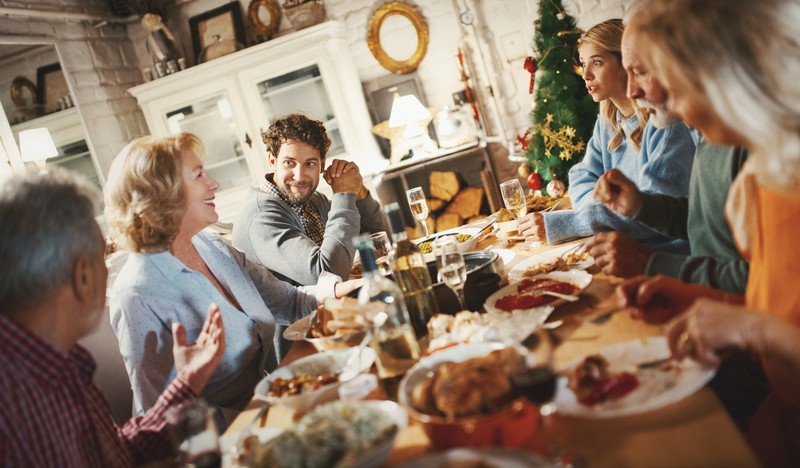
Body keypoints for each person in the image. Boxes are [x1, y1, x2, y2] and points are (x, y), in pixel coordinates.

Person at [615, 0, 800, 464]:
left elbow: (769, 326)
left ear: (722, 75)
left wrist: (747, 325)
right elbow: (780, 312)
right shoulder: (766, 171)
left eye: (674, 90)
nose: (672, 108)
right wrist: (713, 304)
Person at [105, 133, 358, 424]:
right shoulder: (138, 293)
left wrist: (341, 291)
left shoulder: (211, 246)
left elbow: (287, 301)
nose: (215, 183)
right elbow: (161, 419)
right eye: (199, 174)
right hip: (225, 438)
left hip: (269, 405)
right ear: (162, 192)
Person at [0, 169, 225, 466]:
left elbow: (115, 452)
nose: (107, 270)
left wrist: (187, 382)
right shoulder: (13, 402)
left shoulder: (57, 360)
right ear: (83, 276)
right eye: (101, 257)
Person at [583, 12, 749, 294]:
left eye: (640, 71)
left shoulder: (752, 146)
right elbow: (704, 221)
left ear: (686, 63)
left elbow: (767, 282)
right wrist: (640, 205)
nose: (632, 91)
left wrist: (650, 263)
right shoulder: (707, 136)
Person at [517, 18, 697, 253]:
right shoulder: (608, 123)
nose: (586, 75)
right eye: (583, 64)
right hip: (621, 248)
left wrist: (573, 222)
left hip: (664, 257)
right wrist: (608, 207)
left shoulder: (665, 122)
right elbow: (581, 176)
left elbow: (651, 215)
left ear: (625, 64)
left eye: (598, 63)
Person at [232, 113, 388, 286]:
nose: (299, 176)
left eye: (310, 164)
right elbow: (328, 276)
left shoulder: (313, 200)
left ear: (322, 164)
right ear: (272, 160)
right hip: (304, 313)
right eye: (289, 163)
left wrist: (357, 190)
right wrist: (343, 194)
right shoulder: (261, 218)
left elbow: (379, 240)